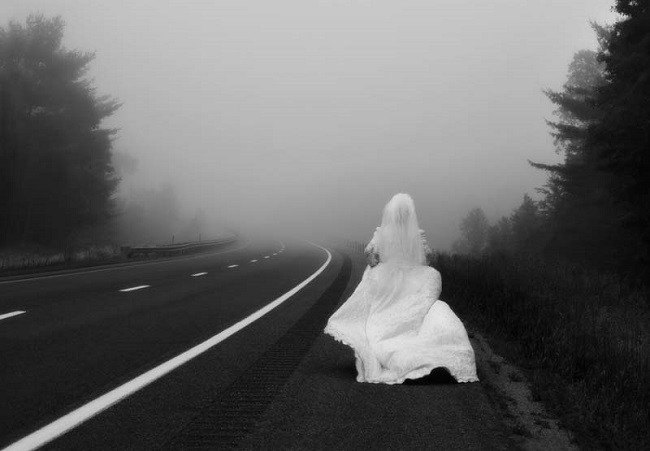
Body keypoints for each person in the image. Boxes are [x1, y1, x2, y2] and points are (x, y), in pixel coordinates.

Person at [324, 193, 478, 384]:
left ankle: (393, 349)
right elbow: (427, 258)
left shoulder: (381, 233)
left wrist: (380, 264)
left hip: (387, 280)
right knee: (428, 296)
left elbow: (370, 256)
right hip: (414, 280)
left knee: (380, 310)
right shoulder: (418, 235)